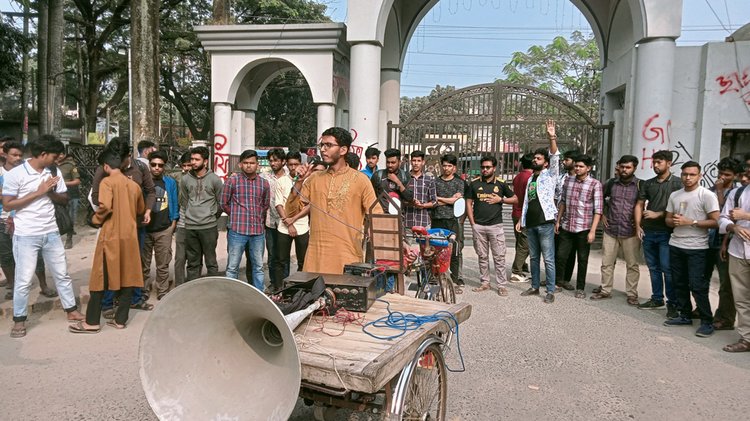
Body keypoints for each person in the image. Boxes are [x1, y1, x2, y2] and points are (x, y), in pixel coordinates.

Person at [2, 138, 85, 338]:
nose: (57, 161)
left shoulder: (53, 172)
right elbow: (8, 205)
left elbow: (64, 199)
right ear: (43, 154)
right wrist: (39, 192)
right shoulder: (16, 174)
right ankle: (19, 320)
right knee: (23, 280)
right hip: (26, 235)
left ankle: (71, 310)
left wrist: (50, 194)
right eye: (54, 157)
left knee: (62, 274)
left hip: (51, 232)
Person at [69, 150, 146, 333]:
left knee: (99, 278)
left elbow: (105, 206)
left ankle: (92, 322)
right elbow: (141, 209)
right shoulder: (134, 185)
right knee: (128, 276)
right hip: (130, 236)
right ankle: (120, 320)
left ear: (105, 166)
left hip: (110, 236)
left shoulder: (107, 182)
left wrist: (96, 220)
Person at [285, 127, 379, 274]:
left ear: (343, 150)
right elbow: (290, 212)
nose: (323, 149)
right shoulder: (314, 179)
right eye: (321, 145)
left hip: (348, 258)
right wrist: (299, 182)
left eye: (328, 145)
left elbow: (377, 215)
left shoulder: (361, 180)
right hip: (316, 259)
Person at [91, 137, 155, 314]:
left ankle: (135, 299)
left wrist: (147, 210)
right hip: (112, 226)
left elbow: (150, 192)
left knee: (133, 263)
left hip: (136, 225)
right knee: (110, 264)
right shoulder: (104, 170)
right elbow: (97, 197)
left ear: (129, 155)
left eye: (123, 157)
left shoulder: (140, 168)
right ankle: (108, 303)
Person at [663, 161, 720, 337]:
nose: (688, 178)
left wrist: (692, 222)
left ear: (699, 176)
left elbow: (715, 222)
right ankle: (685, 315)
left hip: (697, 248)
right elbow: (667, 219)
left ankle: (706, 321)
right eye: (685, 174)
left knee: (697, 286)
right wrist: (673, 221)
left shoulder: (707, 195)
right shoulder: (675, 195)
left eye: (692, 174)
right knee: (678, 282)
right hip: (676, 244)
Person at [0, 141, 52, 300]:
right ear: (5, 155)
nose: (17, 158)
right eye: (14, 155)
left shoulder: (28, 171)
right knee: (6, 255)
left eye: (20, 155)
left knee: (36, 255)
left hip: (27, 219)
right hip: (3, 220)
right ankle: (13, 286)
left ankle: (44, 285)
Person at [635, 150, 683, 317]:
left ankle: (672, 303)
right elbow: (639, 205)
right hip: (649, 231)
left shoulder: (678, 183)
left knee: (667, 269)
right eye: (654, 162)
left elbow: (680, 208)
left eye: (659, 162)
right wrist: (638, 226)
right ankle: (657, 298)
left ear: (669, 163)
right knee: (653, 268)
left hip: (667, 232)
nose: (655, 166)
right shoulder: (648, 184)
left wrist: (659, 214)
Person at [516, 119, 560, 303]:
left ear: (546, 163)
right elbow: (527, 201)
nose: (535, 159)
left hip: (545, 224)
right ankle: (534, 286)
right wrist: (521, 220)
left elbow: (556, 156)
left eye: (539, 158)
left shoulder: (550, 175)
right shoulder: (531, 179)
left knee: (548, 259)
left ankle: (550, 290)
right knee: (534, 257)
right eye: (534, 158)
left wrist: (552, 137)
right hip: (531, 224)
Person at [591, 155, 641, 304]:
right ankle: (606, 290)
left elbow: (642, 205)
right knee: (606, 262)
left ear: (634, 168)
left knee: (632, 264)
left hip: (630, 231)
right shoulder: (611, 183)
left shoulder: (639, 185)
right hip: (611, 229)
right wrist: (603, 215)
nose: (624, 170)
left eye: (628, 167)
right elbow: (599, 199)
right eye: (622, 167)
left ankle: (632, 293)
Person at [467, 155, 517, 296]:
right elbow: (469, 203)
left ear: (494, 168)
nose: (485, 170)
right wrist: (472, 223)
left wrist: (500, 199)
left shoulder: (501, 184)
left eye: (488, 167)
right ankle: (485, 283)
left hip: (496, 226)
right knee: (482, 256)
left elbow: (515, 199)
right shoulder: (474, 184)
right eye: (482, 167)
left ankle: (501, 285)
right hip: (479, 226)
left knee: (499, 257)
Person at [554, 154, 603, 298]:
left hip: (584, 228)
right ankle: (559, 282)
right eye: (576, 166)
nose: (578, 169)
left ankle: (580, 287)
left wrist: (593, 231)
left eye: (581, 166)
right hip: (567, 226)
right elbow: (563, 201)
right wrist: (558, 221)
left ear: (588, 168)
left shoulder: (595, 184)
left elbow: (598, 210)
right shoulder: (568, 181)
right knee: (561, 256)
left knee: (582, 259)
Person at [222, 150, 269, 290]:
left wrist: (257, 217)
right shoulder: (232, 181)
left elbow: (265, 205)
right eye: (246, 163)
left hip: (258, 232)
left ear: (257, 165)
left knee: (258, 267)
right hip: (237, 231)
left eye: (252, 163)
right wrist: (236, 215)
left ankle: (259, 296)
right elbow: (223, 203)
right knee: (232, 267)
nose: (249, 166)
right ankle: (231, 296)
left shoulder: (264, 183)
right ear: (240, 164)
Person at [180, 146, 223, 281]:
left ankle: (212, 292)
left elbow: (220, 203)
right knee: (193, 262)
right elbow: (185, 201)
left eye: (196, 159)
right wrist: (191, 214)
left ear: (205, 161)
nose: (193, 162)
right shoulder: (185, 179)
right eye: (192, 159)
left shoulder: (215, 179)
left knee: (211, 262)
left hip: (208, 227)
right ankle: (194, 293)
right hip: (191, 226)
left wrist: (210, 215)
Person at [718, 173, 750, 352]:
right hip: (738, 251)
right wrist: (733, 226)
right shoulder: (738, 193)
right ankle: (747, 338)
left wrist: (745, 215)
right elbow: (722, 218)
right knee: (741, 298)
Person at [141, 151, 179, 300]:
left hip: (164, 229)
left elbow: (174, 203)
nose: (157, 168)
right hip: (145, 229)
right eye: (154, 164)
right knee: (144, 263)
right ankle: (144, 289)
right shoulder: (142, 182)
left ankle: (162, 290)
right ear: (149, 165)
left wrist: (173, 223)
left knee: (163, 264)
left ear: (164, 167)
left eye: (160, 165)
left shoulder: (169, 182)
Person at [708, 158, 741, 330]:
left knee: (725, 284)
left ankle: (725, 318)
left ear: (735, 176)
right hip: (708, 240)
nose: (722, 177)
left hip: (725, 242)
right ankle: (703, 309)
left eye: (727, 175)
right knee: (702, 279)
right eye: (720, 173)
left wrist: (721, 191)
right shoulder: (710, 189)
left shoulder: (737, 193)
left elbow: (724, 216)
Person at [274, 151, 310, 289]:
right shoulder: (281, 181)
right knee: (281, 261)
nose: (293, 167)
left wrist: (293, 219)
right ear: (286, 165)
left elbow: (308, 206)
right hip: (284, 226)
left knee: (303, 262)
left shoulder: (307, 182)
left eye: (296, 164)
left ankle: (300, 289)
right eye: (290, 165)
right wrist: (288, 223)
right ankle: (280, 289)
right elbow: (278, 204)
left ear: (300, 164)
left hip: (302, 227)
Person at [432, 153, 467, 293]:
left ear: (454, 167)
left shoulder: (459, 182)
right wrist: (448, 199)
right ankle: (437, 275)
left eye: (449, 166)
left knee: (455, 250)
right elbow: (433, 200)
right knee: (436, 249)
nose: (446, 168)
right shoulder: (435, 182)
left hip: (453, 220)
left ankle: (456, 278)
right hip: (437, 219)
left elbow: (457, 202)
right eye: (444, 165)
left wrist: (441, 199)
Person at [260, 148, 286, 289]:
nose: (273, 163)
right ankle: (273, 282)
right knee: (271, 254)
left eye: (276, 160)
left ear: (283, 161)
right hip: (269, 221)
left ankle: (284, 282)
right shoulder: (264, 177)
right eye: (271, 160)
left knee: (283, 255)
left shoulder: (289, 176)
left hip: (285, 221)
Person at [555, 149, 579, 288]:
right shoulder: (561, 177)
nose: (564, 162)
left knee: (571, 252)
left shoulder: (585, 179)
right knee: (558, 251)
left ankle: (566, 279)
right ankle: (556, 278)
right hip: (560, 219)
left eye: (567, 160)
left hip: (576, 220)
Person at [510, 153, 533, 283]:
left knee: (520, 242)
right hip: (524, 215)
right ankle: (516, 272)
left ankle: (522, 267)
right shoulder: (530, 178)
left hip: (516, 213)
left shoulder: (518, 176)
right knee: (525, 244)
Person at [371, 148, 413, 213]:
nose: (390, 165)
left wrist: (398, 182)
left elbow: (410, 198)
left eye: (393, 163)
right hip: (380, 216)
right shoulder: (378, 175)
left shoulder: (405, 176)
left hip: (398, 217)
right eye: (388, 162)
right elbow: (371, 196)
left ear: (399, 162)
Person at [172, 152, 192, 287]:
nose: (186, 168)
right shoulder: (176, 178)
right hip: (182, 223)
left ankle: (192, 285)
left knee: (194, 259)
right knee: (180, 258)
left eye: (189, 165)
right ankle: (179, 285)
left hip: (199, 224)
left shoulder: (204, 178)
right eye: (184, 165)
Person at [403, 150, 437, 229]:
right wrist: (411, 203)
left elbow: (434, 201)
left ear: (423, 162)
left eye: (418, 161)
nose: (416, 163)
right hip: (407, 222)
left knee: (424, 242)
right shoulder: (404, 178)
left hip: (424, 223)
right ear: (411, 162)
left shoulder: (429, 179)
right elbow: (399, 199)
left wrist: (422, 205)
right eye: (414, 160)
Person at [56, 150, 81, 249]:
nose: (59, 155)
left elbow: (77, 181)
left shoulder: (70, 165)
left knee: (68, 217)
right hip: (54, 195)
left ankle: (69, 238)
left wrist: (63, 183)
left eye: (61, 153)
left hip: (69, 195)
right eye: (58, 153)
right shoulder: (50, 166)